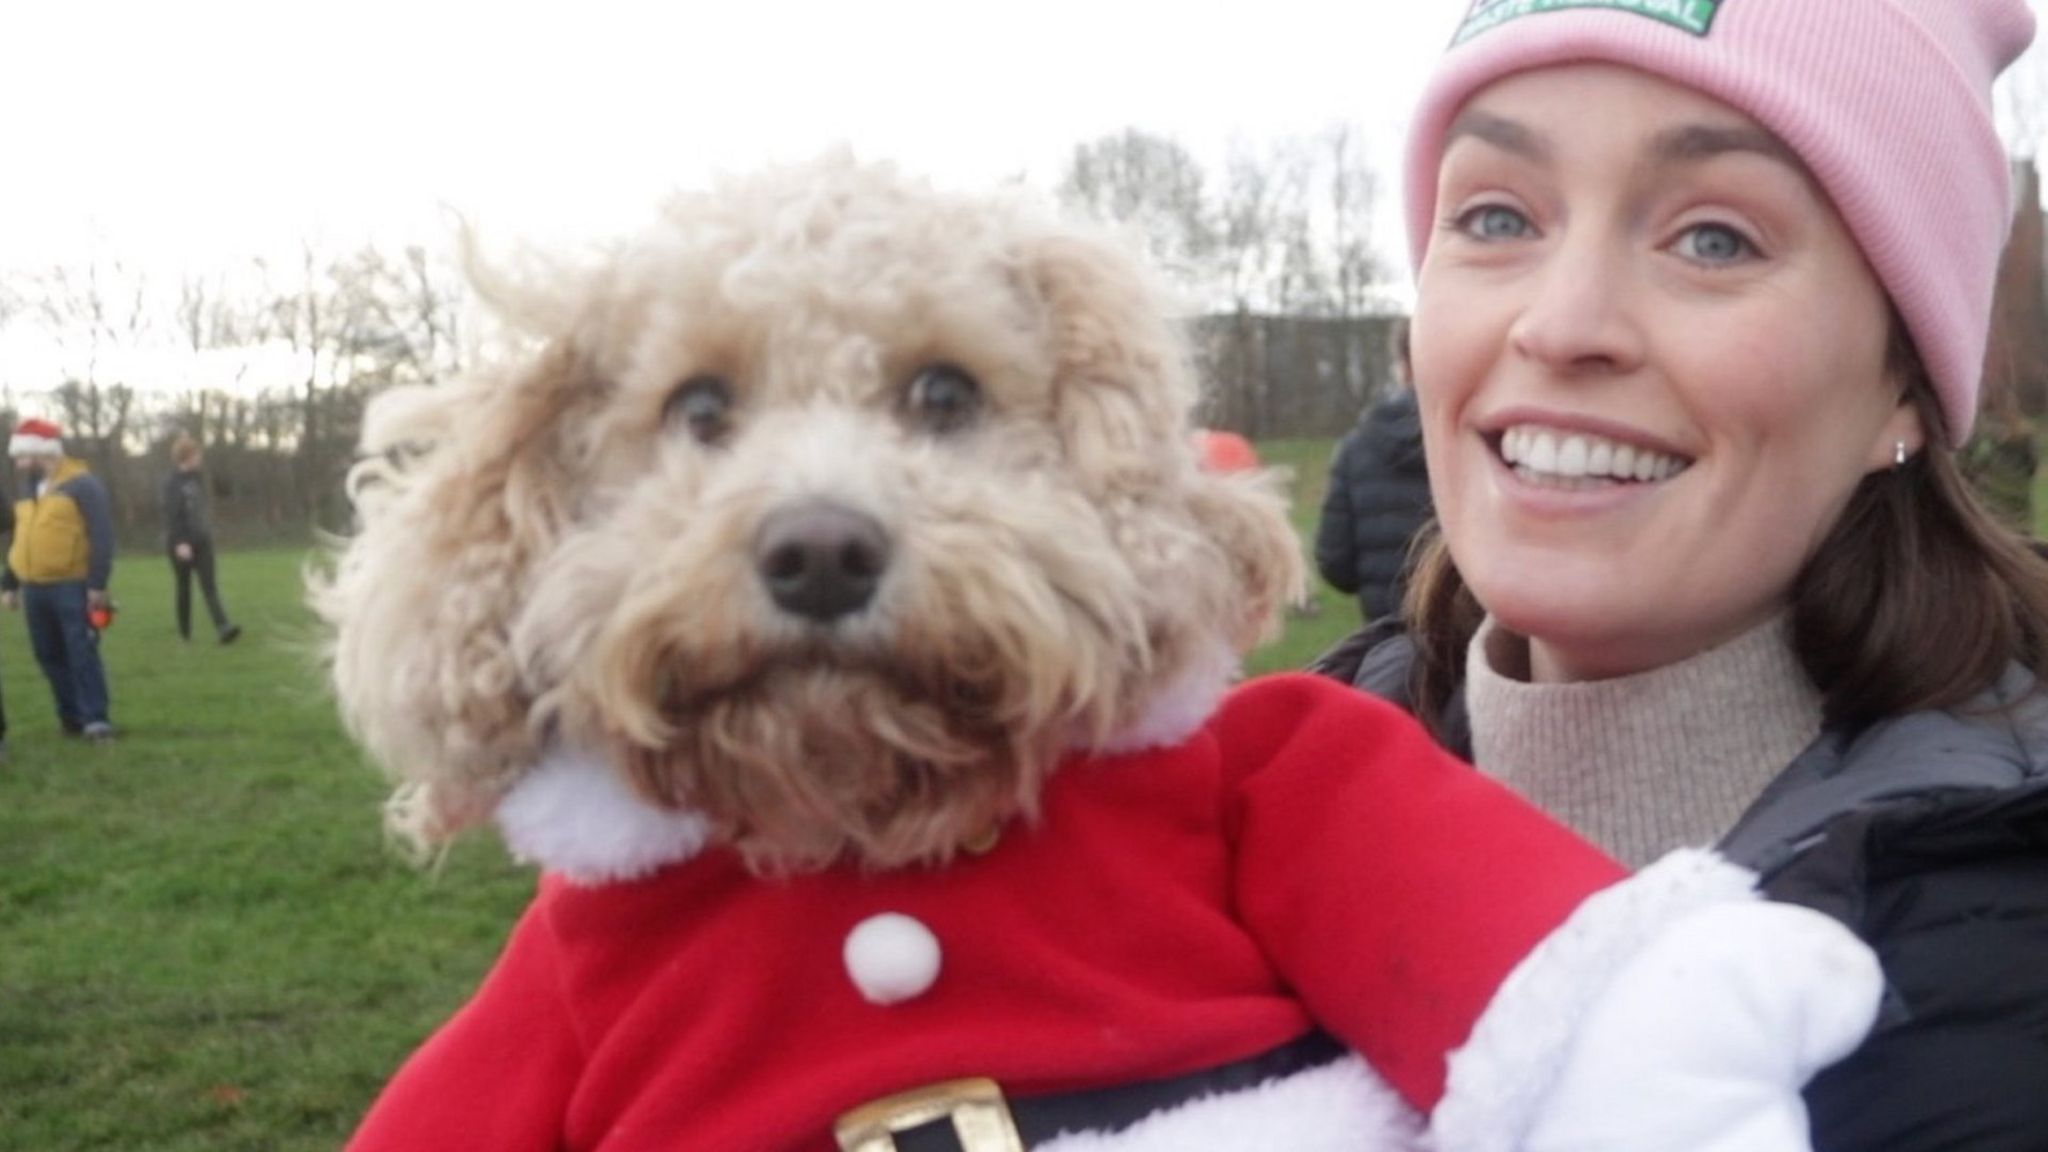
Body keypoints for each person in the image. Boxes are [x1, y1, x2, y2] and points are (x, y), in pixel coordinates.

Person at [1314, 2, 2048, 1148]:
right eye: (1496, 214)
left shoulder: (2001, 981)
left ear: (1900, 388)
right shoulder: (1219, 833)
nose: (1560, 326)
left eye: (1713, 240)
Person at [2, 418, 116, 742]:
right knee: (47, 654)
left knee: (81, 651)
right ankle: (71, 716)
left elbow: (102, 536)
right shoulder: (26, 491)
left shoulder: (83, 485)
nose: (19, 464)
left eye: (23, 456)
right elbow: (20, 539)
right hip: (34, 587)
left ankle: (96, 720)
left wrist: (97, 583)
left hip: (73, 584)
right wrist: (9, 582)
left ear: (43, 453)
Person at [1315, 322, 1432, 623]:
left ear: (1403, 366)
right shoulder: (1478, 444)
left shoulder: (1355, 449)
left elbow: (1335, 563)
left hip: (1385, 635)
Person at [162, 432, 241, 645]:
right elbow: (172, 514)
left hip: (202, 540)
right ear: (185, 457)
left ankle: (224, 628)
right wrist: (180, 542)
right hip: (182, 544)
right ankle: (185, 634)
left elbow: (202, 508)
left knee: (209, 586)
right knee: (184, 588)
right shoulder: (172, 483)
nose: (200, 459)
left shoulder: (198, 479)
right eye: (196, 455)